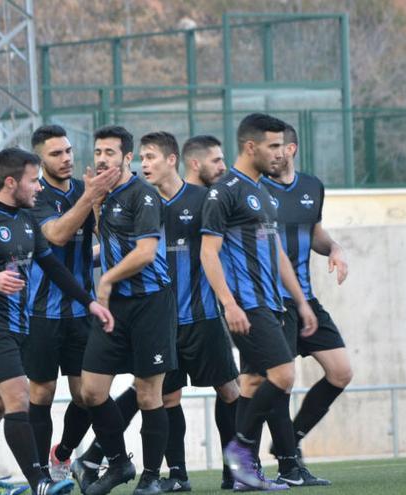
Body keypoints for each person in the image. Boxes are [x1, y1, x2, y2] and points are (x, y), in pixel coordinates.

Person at [0, 147, 114, 495]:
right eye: (33, 181)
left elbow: (53, 267)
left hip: (18, 324)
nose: (38, 188)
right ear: (11, 182)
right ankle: (40, 481)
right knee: (18, 396)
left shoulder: (25, 221)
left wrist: (90, 302)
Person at [199, 113, 317, 491]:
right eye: (273, 146)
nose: (281, 153)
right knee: (283, 375)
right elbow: (208, 254)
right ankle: (241, 449)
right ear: (251, 147)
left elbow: (277, 252)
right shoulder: (225, 191)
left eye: (282, 145)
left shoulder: (263, 191)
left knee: (251, 383)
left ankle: (239, 474)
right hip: (245, 305)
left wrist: (300, 301)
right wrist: (229, 304)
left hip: (272, 303)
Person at [139, 132, 240, 492]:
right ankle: (178, 475)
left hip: (203, 317)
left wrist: (232, 302)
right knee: (167, 398)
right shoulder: (142, 202)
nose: (143, 164)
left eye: (150, 157)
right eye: (141, 158)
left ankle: (236, 471)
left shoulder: (203, 199)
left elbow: (222, 250)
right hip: (160, 324)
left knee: (229, 391)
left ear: (171, 160)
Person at [78, 125, 177, 495]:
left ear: (127, 158)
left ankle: (152, 477)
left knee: (149, 394)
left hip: (151, 303)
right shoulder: (102, 195)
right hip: (116, 306)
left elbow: (146, 252)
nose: (102, 158)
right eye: (99, 151)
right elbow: (111, 244)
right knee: (91, 390)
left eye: (110, 152)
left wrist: (104, 280)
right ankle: (119, 463)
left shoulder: (143, 196)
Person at [23, 125, 119, 481]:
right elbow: (57, 234)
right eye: (55, 154)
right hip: (43, 312)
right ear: (40, 160)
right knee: (43, 391)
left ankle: (62, 454)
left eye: (67, 151)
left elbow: (101, 236)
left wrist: (101, 203)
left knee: (86, 395)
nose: (65, 159)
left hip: (83, 310)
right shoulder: (36, 196)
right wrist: (89, 197)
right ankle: (39, 476)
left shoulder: (84, 189)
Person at [262, 123, 351, 487]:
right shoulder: (256, 189)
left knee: (341, 371)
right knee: (280, 382)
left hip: (307, 300)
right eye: (267, 147)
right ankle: (287, 463)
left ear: (292, 149)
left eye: (278, 146)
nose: (272, 153)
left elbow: (313, 232)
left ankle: (291, 439)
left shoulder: (312, 186)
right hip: (271, 302)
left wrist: (334, 248)